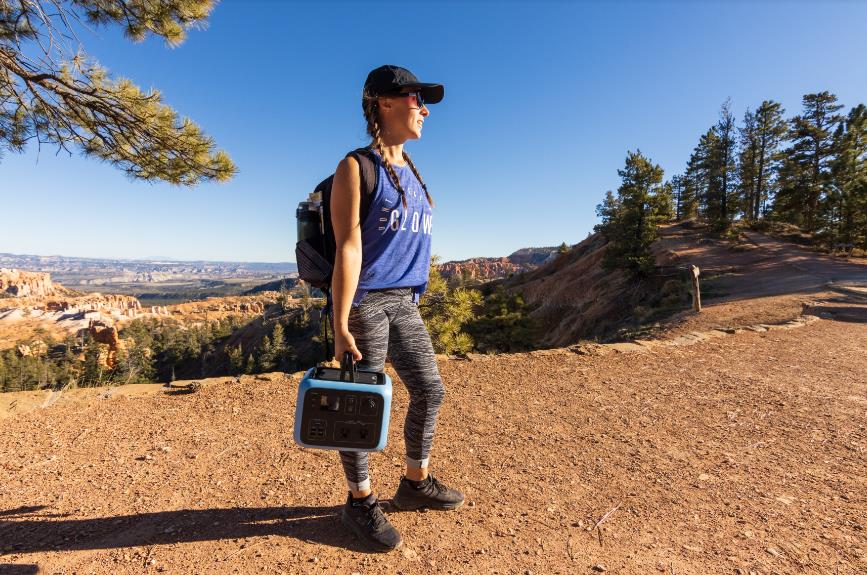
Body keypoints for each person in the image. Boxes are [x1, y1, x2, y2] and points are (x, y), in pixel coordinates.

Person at [330, 65, 464, 552]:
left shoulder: (413, 171)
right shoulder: (356, 166)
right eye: (414, 98)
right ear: (384, 103)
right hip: (367, 303)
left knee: (430, 389)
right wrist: (340, 321)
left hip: (406, 301)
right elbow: (349, 246)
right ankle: (359, 501)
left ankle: (414, 483)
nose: (423, 109)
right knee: (363, 406)